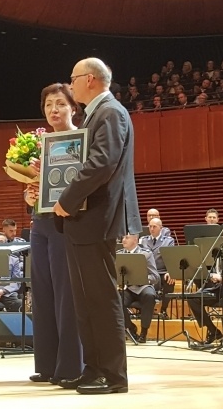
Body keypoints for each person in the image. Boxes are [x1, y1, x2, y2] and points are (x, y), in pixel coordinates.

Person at [54, 57, 141, 395]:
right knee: (86, 301)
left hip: (96, 217)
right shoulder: (99, 114)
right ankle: (93, 369)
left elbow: (101, 163)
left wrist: (66, 199)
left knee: (101, 299)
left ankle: (113, 375)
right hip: (85, 219)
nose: (70, 84)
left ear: (89, 79)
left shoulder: (111, 113)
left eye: (73, 79)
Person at [23, 83, 83, 385]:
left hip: (67, 225)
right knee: (43, 294)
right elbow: (34, 190)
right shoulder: (40, 144)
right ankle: (46, 365)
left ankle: (71, 367)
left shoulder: (81, 141)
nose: (54, 110)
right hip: (40, 224)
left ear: (73, 107)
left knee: (66, 297)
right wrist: (29, 196)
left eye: (60, 103)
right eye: (48, 105)